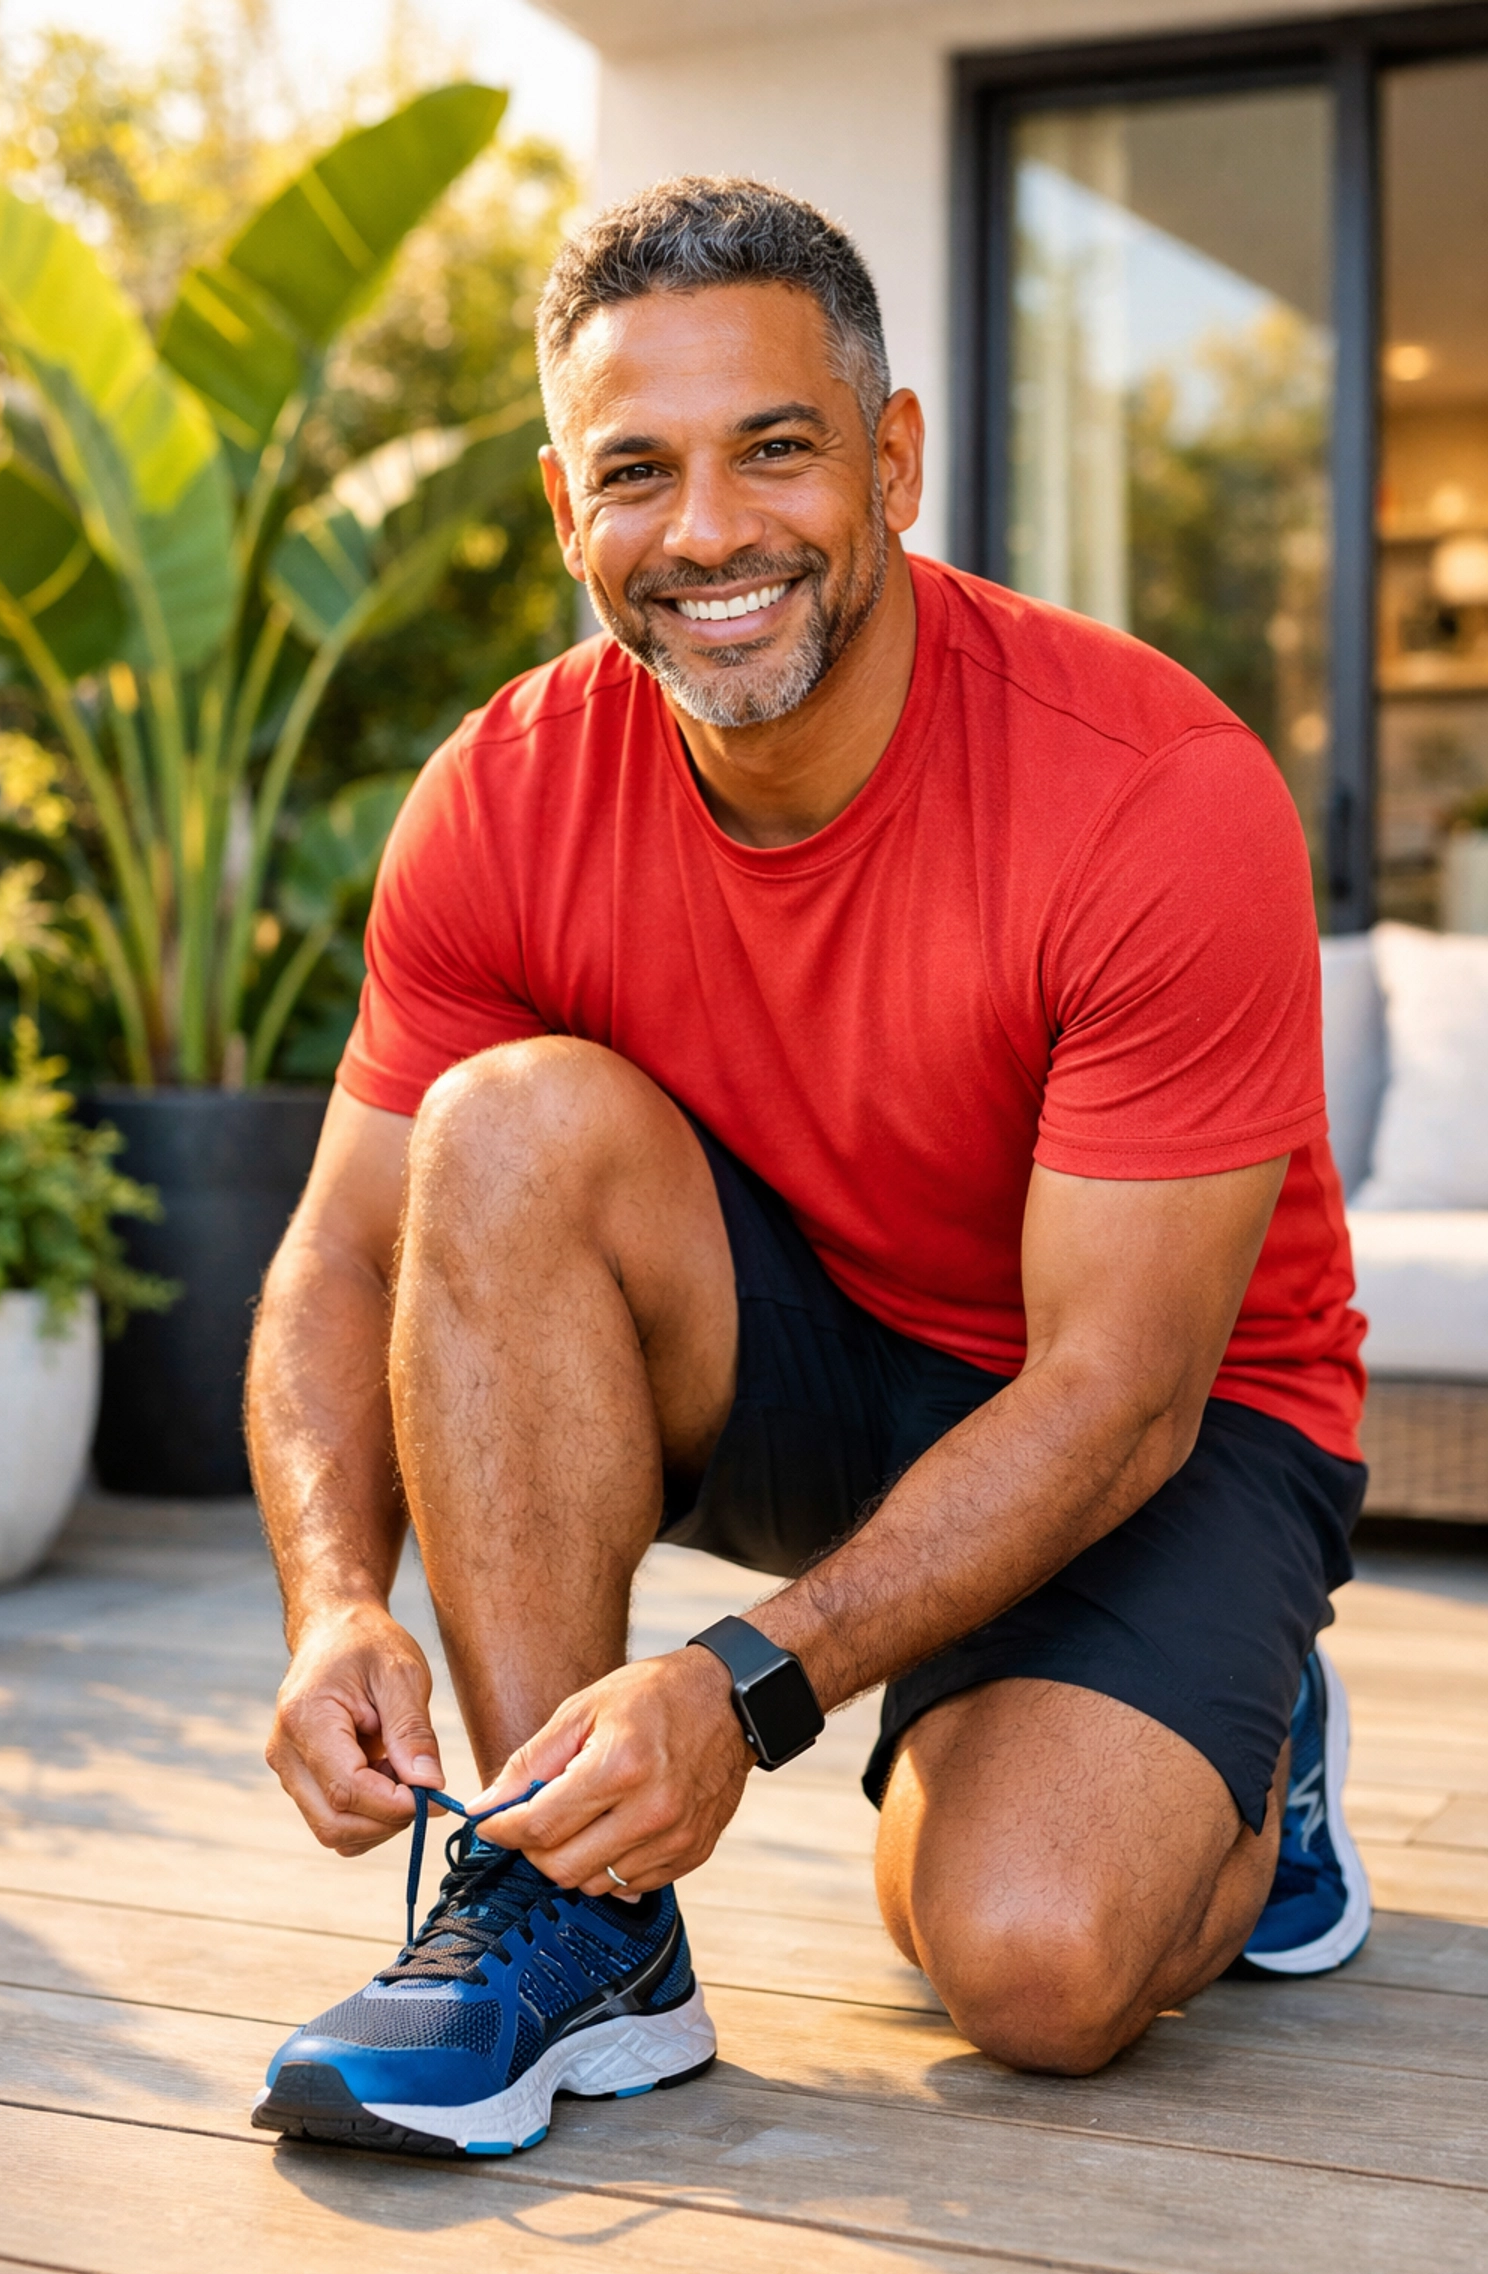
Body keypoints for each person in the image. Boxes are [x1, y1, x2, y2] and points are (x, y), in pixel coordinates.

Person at [246, 177, 1371, 2160]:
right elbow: (343, 1252)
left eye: (777, 448)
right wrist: (335, 1601)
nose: (708, 534)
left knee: (1031, 1961)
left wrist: (745, 1687)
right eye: (637, 472)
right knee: (501, 1126)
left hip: (1159, 1425)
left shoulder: (1151, 792)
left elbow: (1117, 1399)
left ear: (895, 460)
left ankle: (1252, 1738)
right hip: (816, 1362)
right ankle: (566, 1908)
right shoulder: (503, 797)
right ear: (561, 508)